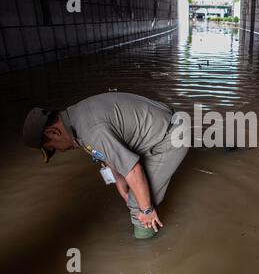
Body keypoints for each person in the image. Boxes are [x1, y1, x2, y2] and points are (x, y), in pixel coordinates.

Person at [22, 92, 189, 239]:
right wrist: (118, 179)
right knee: (136, 192)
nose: (61, 151)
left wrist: (146, 210)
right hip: (161, 124)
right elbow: (105, 153)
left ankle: (146, 254)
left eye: (53, 148)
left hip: (172, 136)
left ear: (53, 132)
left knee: (137, 204)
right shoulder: (76, 116)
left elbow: (134, 169)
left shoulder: (90, 132)